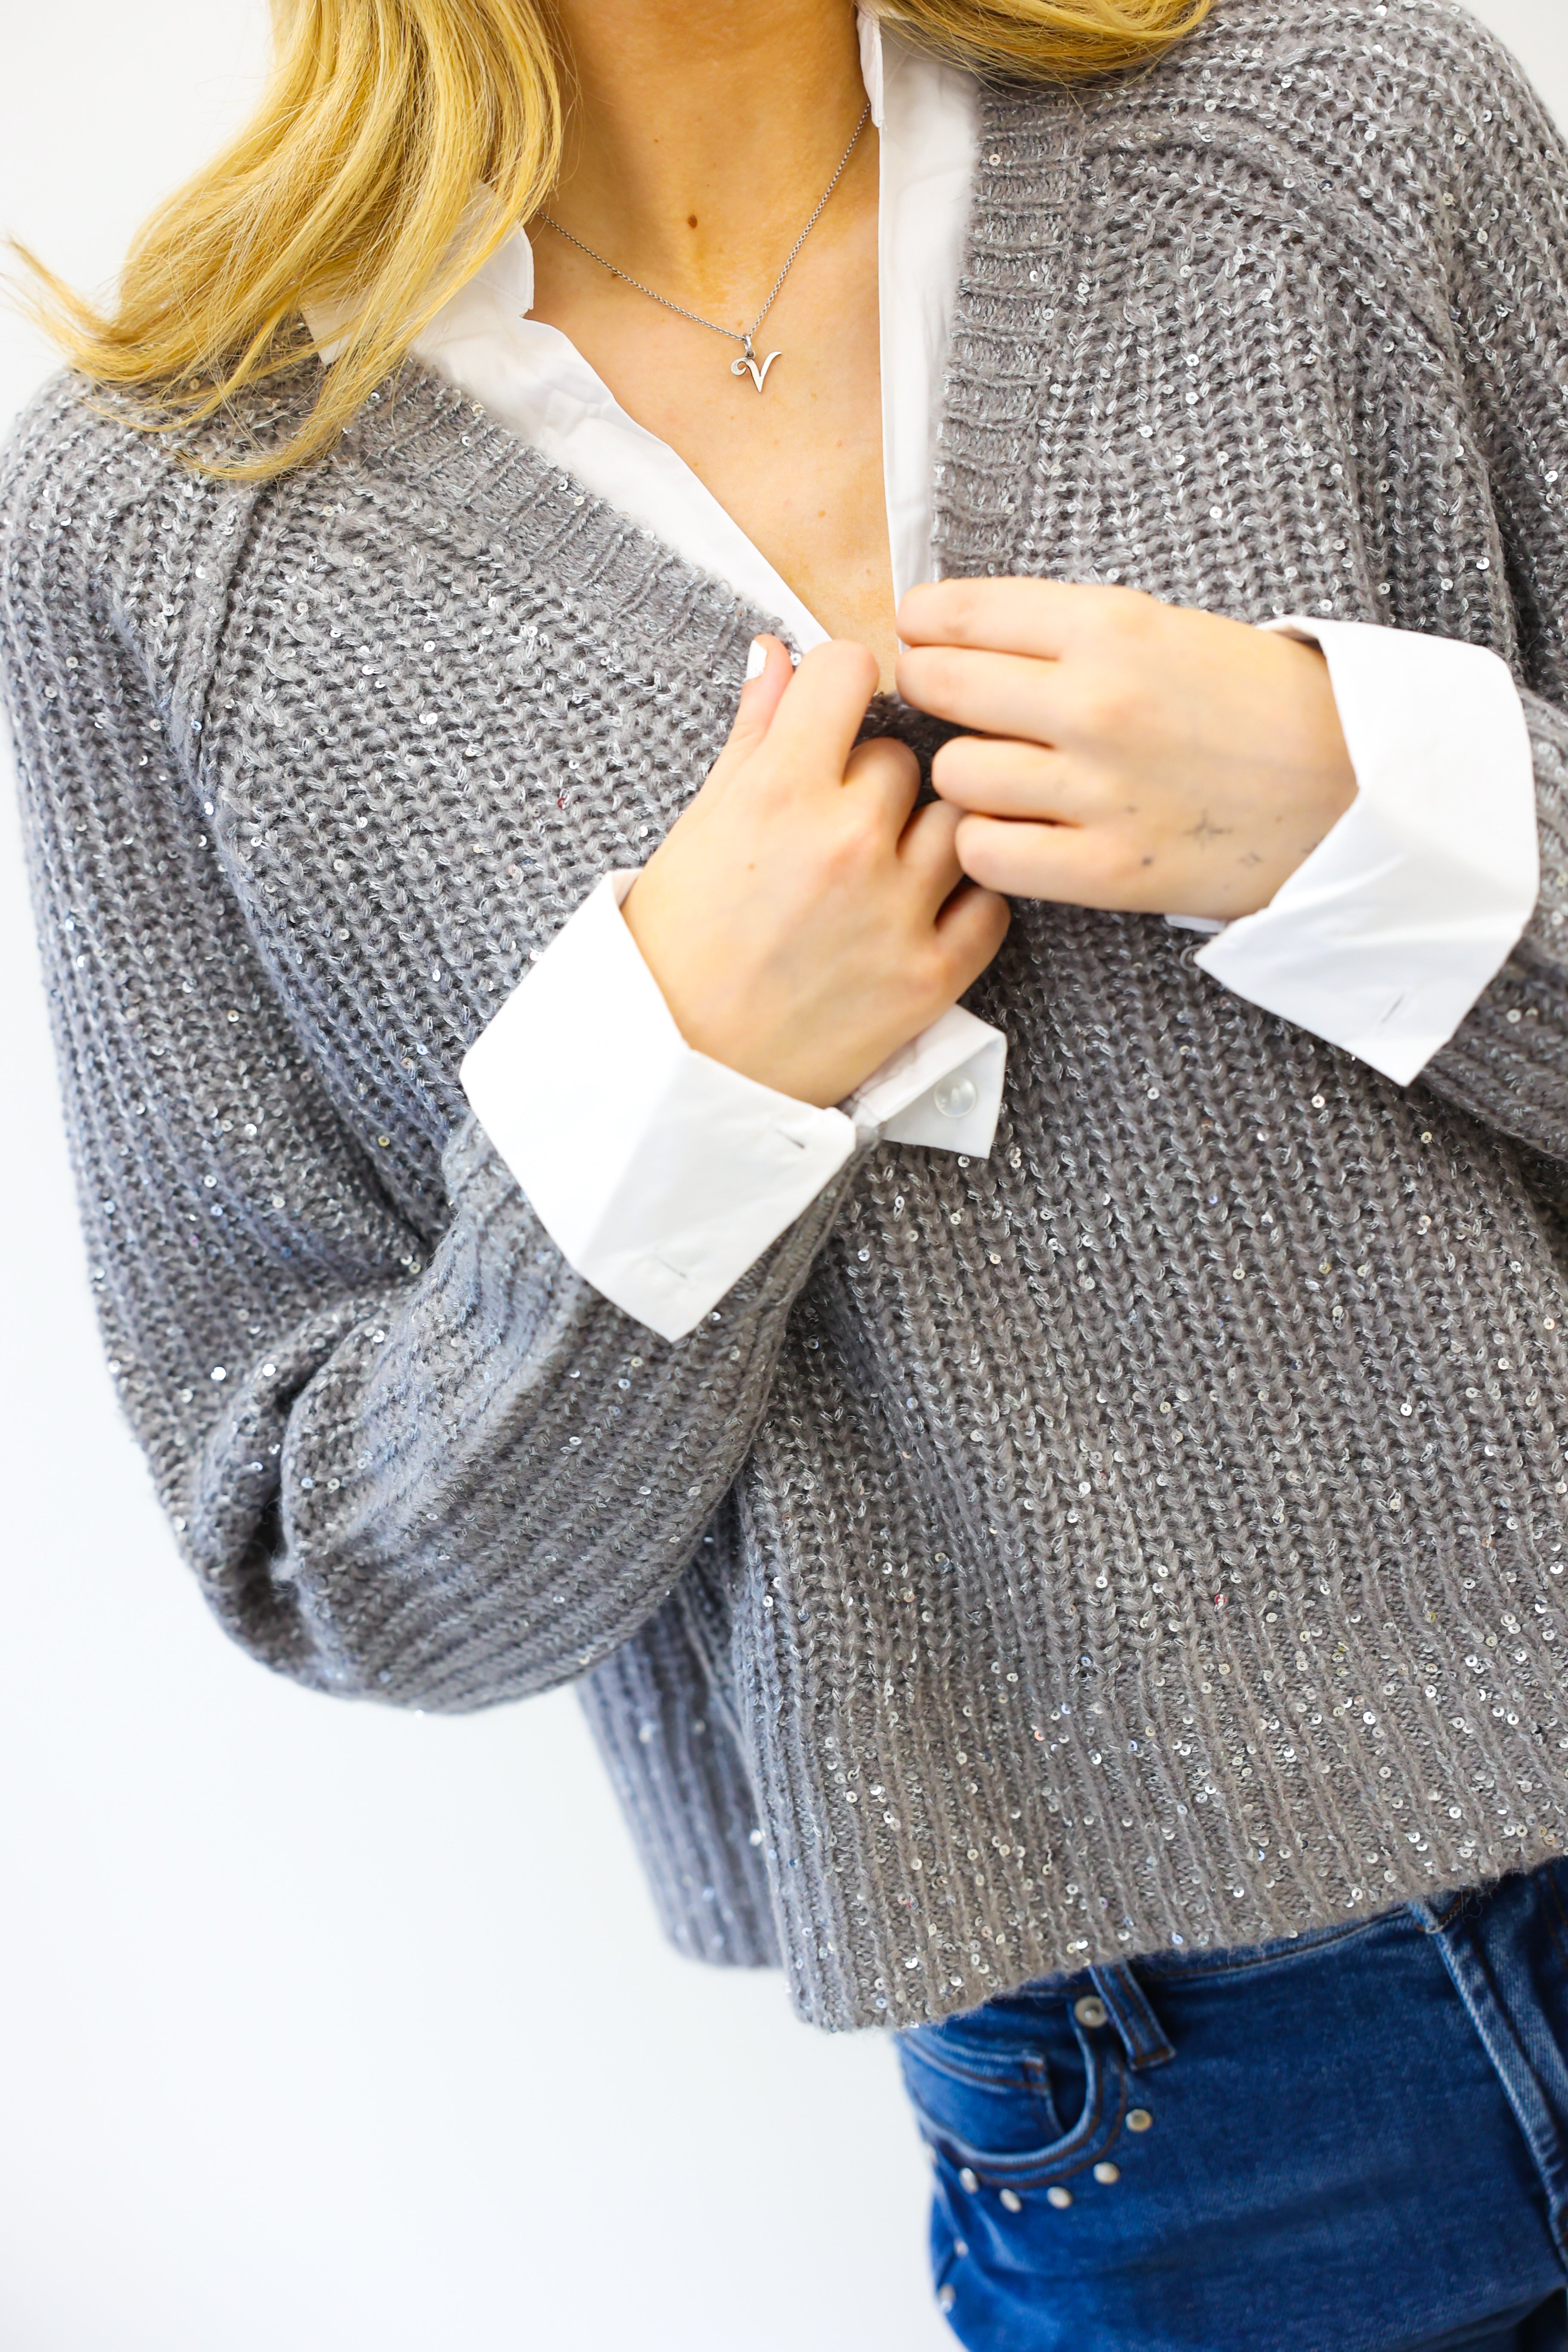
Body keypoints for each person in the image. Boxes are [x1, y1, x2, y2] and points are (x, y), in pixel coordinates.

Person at [3, 0, 1568, 2340]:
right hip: (1181, 2120)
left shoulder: (1354, 151)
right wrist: (683, 1077)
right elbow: (322, 1556)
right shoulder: (174, 522)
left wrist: (1367, 808)